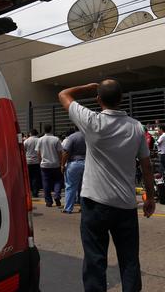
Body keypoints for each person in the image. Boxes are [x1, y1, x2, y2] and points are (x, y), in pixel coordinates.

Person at [58, 79, 155, 292]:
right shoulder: (136, 127)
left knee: (95, 261)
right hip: (126, 205)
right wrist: (151, 197)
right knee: (129, 260)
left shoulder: (92, 122)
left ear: (98, 100)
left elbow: (64, 94)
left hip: (95, 203)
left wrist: (88, 87)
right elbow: (147, 167)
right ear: (121, 99)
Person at [36, 124, 63, 207]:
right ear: (51, 129)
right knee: (58, 181)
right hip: (55, 164)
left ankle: (48, 202)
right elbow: (59, 152)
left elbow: (38, 152)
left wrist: (40, 161)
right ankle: (57, 195)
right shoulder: (56, 139)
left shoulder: (40, 140)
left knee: (46, 182)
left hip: (44, 165)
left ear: (44, 130)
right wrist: (60, 162)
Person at [61, 127, 86, 214]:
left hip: (74, 163)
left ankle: (68, 208)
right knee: (84, 187)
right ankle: (84, 208)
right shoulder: (88, 136)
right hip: (87, 163)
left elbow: (66, 152)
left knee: (70, 186)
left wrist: (62, 165)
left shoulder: (72, 137)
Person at [23, 129, 41, 198]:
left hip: (28, 161)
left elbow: (23, 150)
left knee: (29, 177)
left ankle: (29, 191)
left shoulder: (26, 141)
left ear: (30, 133)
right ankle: (35, 192)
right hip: (36, 161)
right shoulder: (39, 140)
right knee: (35, 177)